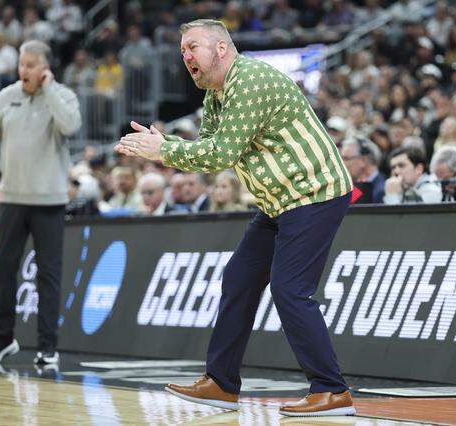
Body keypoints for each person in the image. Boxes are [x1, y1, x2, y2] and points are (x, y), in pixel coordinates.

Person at [115, 19, 355, 417]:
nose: (186, 56)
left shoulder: (249, 80)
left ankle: (332, 390)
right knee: (239, 278)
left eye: (192, 47)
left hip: (314, 192)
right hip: (279, 200)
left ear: (221, 49)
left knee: (289, 288)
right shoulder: (215, 94)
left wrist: (162, 151)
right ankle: (222, 384)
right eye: (182, 51)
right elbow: (209, 151)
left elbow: (221, 155)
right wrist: (165, 144)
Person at [0, 40, 81, 365]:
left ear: (45, 68)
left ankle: (47, 347)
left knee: (48, 276)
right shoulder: (7, 96)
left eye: (29, 65)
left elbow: (71, 125)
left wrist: (49, 90)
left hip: (50, 200)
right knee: (2, 271)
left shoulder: (63, 96)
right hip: (11, 198)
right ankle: (1, 340)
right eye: (21, 64)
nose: (22, 70)